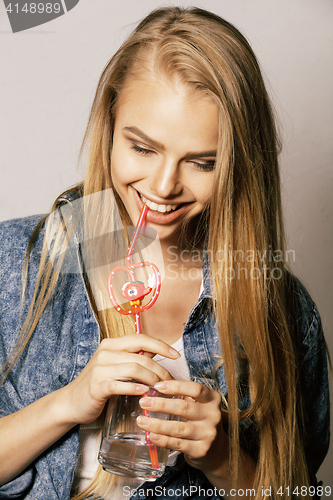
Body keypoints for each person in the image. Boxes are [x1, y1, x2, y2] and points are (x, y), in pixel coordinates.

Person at [0, 6, 330, 500]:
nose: (163, 186)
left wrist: (220, 455)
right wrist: (71, 401)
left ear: (241, 163)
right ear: (110, 124)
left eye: (202, 162)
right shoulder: (17, 264)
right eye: (143, 148)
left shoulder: (282, 311)